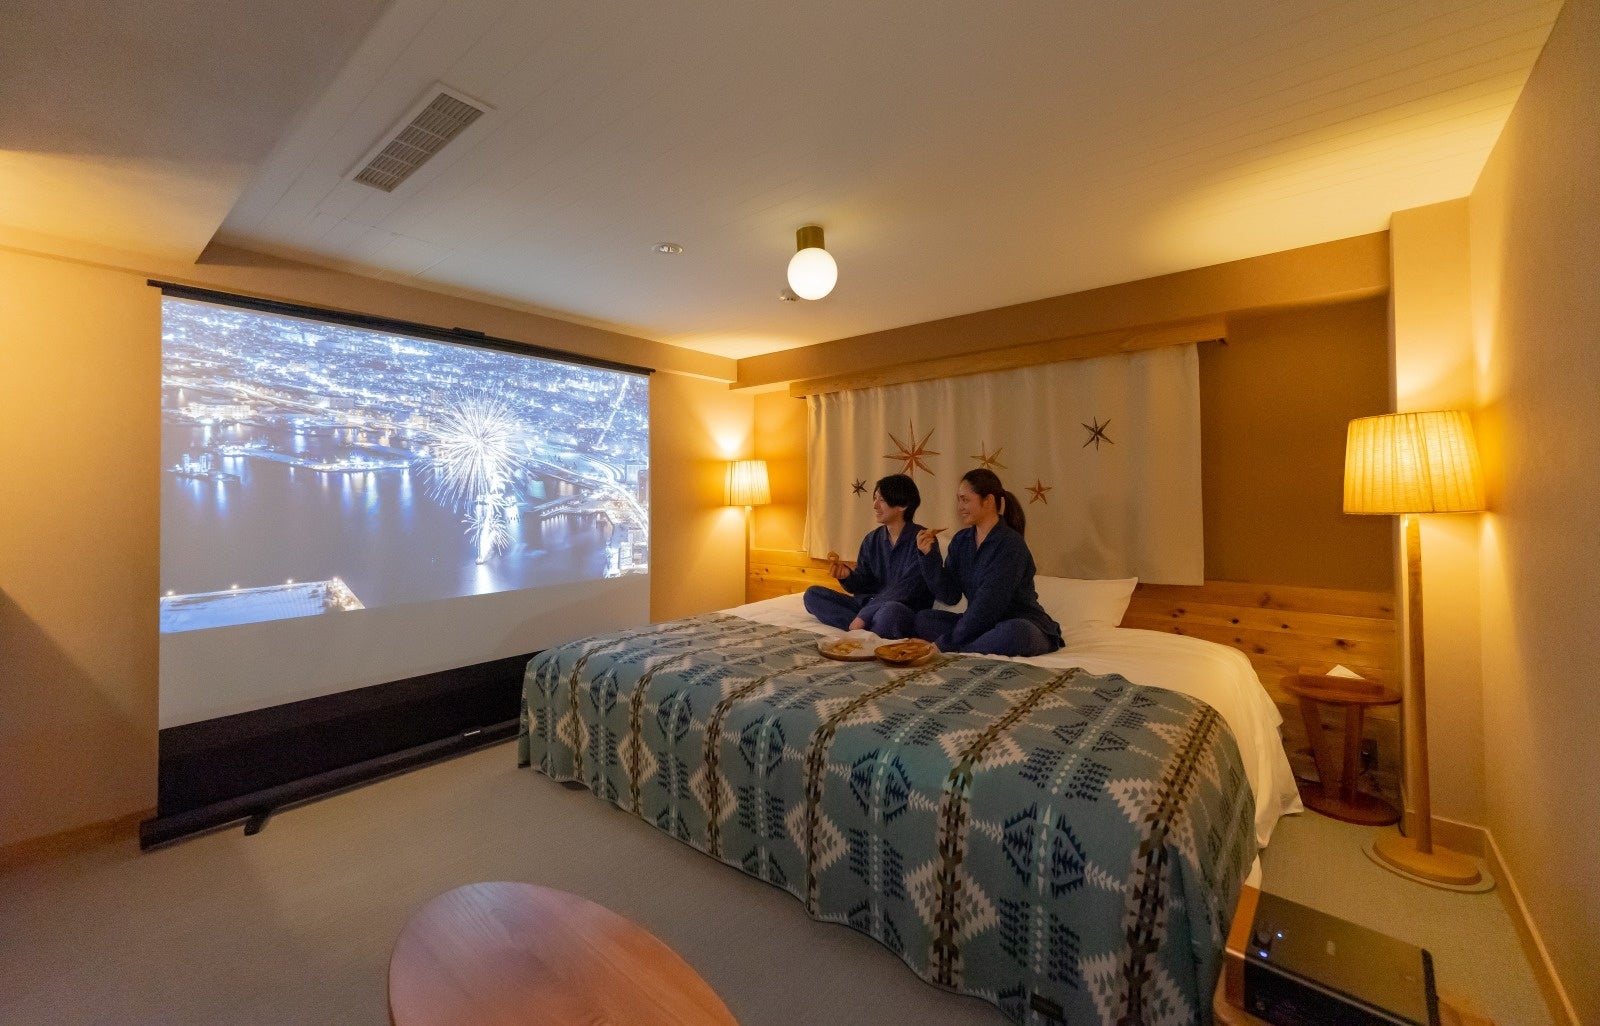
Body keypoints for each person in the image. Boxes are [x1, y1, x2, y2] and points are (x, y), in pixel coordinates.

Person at [913, 468, 1062, 657]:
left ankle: (961, 646)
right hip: (983, 625)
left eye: (965, 500)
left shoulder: (1011, 544)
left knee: (1014, 633)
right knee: (923, 619)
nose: (959, 507)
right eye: (958, 500)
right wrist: (929, 556)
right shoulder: (961, 541)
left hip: (1021, 624)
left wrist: (943, 644)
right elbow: (950, 596)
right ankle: (971, 642)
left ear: (988, 501)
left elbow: (989, 604)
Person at [803, 474, 933, 638]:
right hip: (868, 604)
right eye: (875, 498)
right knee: (813, 595)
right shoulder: (872, 539)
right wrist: (847, 577)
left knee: (890, 612)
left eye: (882, 500)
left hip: (900, 608)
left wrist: (863, 616)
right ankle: (870, 630)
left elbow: (905, 589)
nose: (875, 505)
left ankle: (867, 626)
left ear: (902, 505)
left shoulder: (923, 540)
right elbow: (862, 585)